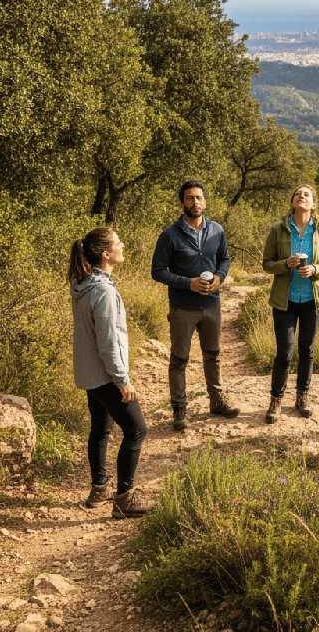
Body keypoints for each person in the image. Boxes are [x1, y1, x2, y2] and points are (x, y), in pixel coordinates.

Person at [70, 228, 153, 519]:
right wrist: (122, 380)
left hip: (89, 374)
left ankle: (99, 488)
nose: (122, 245)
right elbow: (107, 343)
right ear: (106, 254)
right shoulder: (103, 291)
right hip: (106, 375)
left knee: (101, 429)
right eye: (118, 242)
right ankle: (124, 498)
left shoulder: (82, 282)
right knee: (136, 429)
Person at [151, 180, 238, 430]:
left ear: (205, 201)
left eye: (199, 198)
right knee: (180, 359)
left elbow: (224, 258)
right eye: (190, 198)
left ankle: (217, 401)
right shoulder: (169, 236)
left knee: (213, 355)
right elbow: (157, 271)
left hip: (212, 303)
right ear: (182, 203)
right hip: (182, 307)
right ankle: (179, 409)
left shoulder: (216, 230)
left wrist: (220, 277)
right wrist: (188, 283)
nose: (195, 202)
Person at [261, 184, 319, 423]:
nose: (301, 197)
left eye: (307, 195)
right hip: (285, 301)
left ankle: (302, 397)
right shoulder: (278, 229)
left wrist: (315, 269)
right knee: (284, 351)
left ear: (313, 204)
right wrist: (286, 264)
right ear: (292, 202)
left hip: (313, 301)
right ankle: (276, 400)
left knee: (307, 350)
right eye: (297, 194)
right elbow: (266, 263)